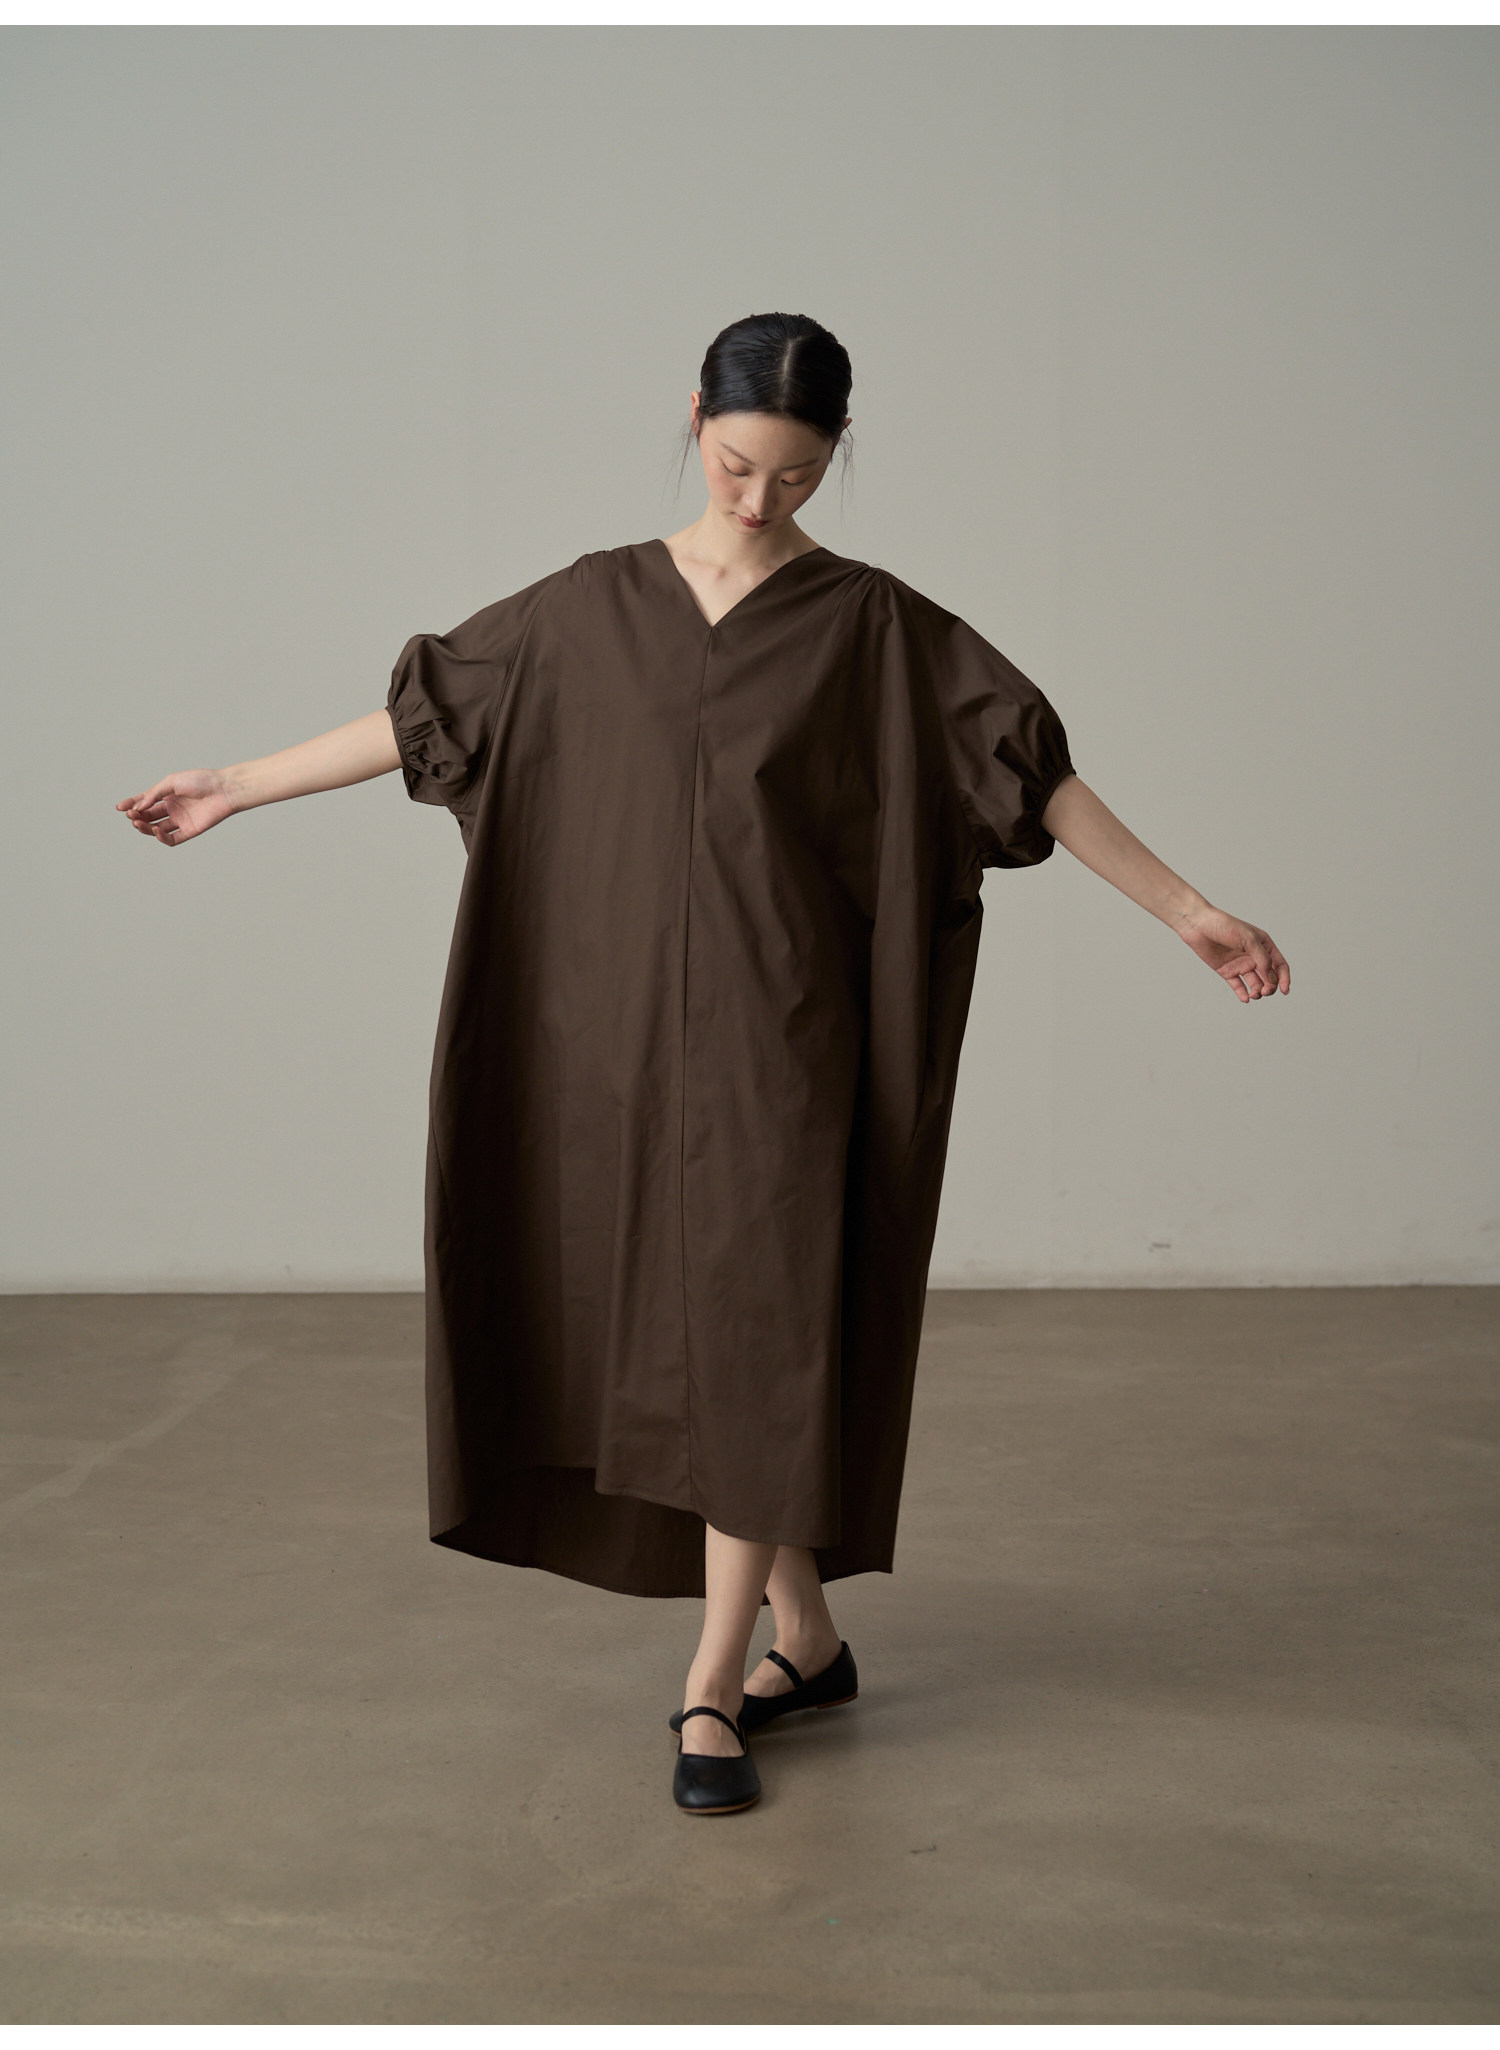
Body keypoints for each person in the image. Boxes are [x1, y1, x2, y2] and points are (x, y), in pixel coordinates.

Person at [117, 312, 1290, 1819]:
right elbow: (424, 720)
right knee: (682, 1338)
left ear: (835, 459)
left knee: (754, 1334)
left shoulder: (876, 629)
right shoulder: (584, 609)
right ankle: (810, 1637)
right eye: (738, 464)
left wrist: (1189, 909)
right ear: (693, 422)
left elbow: (1031, 773)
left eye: (795, 477)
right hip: (610, 1050)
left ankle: (713, 1683)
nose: (757, 499)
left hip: (784, 1050)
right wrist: (234, 784)